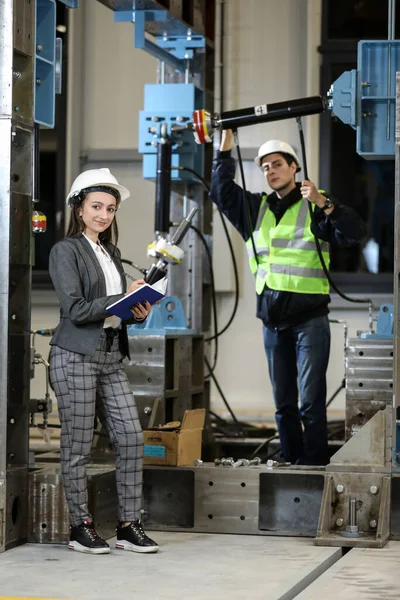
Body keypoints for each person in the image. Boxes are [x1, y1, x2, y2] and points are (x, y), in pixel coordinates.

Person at [210, 130, 366, 465]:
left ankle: (314, 465)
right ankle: (292, 462)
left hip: (310, 320)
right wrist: (224, 148)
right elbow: (220, 192)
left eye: (277, 164)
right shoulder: (255, 208)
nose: (271, 171)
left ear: (294, 168)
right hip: (273, 322)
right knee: (284, 403)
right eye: (265, 167)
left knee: (311, 402)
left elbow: (354, 233)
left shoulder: (315, 205)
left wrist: (324, 204)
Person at [49, 167, 159, 555]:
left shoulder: (110, 253)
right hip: (75, 354)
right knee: (78, 445)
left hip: (110, 354)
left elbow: (114, 310)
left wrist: (137, 308)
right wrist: (117, 301)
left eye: (110, 209)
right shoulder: (66, 250)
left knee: (131, 437)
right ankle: (80, 527)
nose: (104, 215)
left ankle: (129, 526)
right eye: (96, 206)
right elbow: (76, 309)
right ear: (79, 208)